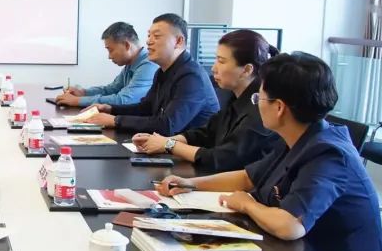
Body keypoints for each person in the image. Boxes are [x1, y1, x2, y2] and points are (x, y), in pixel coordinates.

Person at [155, 52, 382, 251]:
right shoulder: (299, 136)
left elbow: (290, 226)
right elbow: (248, 177)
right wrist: (191, 183)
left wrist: (247, 204)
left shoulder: (329, 154)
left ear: (279, 107)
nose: (257, 104)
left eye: (258, 98)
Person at [132, 29, 280, 172]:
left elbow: (223, 158)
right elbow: (207, 133)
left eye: (221, 61)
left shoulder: (260, 106)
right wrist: (163, 141)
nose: (214, 68)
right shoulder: (235, 97)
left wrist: (169, 145)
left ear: (247, 70)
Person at [89, 13, 219, 135]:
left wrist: (116, 120)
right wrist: (111, 109)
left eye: (156, 36)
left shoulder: (192, 77)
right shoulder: (162, 71)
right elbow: (146, 108)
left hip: (192, 148)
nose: (149, 41)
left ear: (179, 41)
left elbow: (167, 125)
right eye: (149, 36)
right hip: (165, 144)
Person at [56, 21, 156, 107]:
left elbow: (124, 100)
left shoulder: (148, 65)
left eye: (111, 50)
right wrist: (83, 92)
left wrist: (78, 101)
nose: (109, 56)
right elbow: (110, 90)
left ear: (126, 45)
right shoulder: (130, 64)